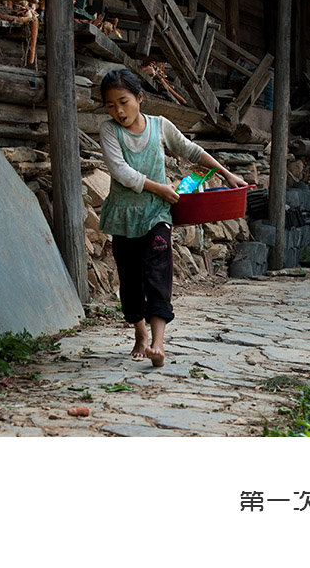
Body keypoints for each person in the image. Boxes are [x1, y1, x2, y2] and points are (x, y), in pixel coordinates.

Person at [98, 68, 247, 367]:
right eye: (111, 104)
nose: (118, 110)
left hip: (157, 215)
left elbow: (191, 150)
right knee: (129, 281)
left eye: (124, 101)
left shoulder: (160, 126)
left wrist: (227, 174)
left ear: (140, 98)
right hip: (124, 217)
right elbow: (120, 172)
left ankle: (158, 343)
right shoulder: (108, 130)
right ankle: (140, 334)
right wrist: (160, 188)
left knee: (157, 273)